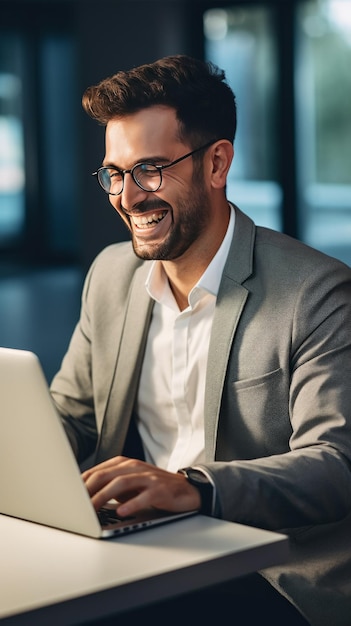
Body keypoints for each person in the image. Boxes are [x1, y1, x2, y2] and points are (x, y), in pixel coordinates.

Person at [50, 55, 351, 626]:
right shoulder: (111, 276)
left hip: (278, 572)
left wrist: (192, 489)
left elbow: (336, 466)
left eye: (151, 169)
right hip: (150, 549)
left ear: (217, 163)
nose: (129, 197)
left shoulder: (316, 292)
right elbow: (71, 414)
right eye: (115, 173)